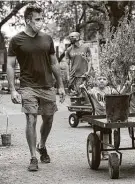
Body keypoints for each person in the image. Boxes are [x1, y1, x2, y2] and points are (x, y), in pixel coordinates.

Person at [7, 5, 65, 172]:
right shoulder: (16, 40)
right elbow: (10, 66)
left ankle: (42, 145)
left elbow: (54, 63)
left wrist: (60, 85)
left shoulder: (47, 38)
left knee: (48, 118)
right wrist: (12, 89)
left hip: (47, 85)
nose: (41, 22)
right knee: (31, 118)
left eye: (42, 19)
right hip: (28, 86)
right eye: (38, 19)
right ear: (28, 20)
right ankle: (33, 156)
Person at [80, 73, 126, 159]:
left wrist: (125, 86)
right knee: (97, 134)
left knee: (106, 134)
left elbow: (120, 94)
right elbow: (86, 96)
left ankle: (104, 152)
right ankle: (98, 148)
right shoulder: (93, 90)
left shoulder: (110, 90)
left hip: (108, 117)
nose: (101, 81)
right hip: (97, 117)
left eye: (104, 79)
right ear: (95, 81)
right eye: (99, 79)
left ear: (107, 81)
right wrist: (83, 89)